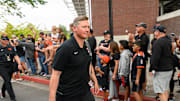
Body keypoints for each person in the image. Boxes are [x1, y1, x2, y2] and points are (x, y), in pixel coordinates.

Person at [49, 16, 99, 101]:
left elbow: (88, 64)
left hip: (85, 92)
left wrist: (95, 81)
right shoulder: (65, 48)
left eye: (88, 27)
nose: (87, 30)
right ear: (74, 28)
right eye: (84, 27)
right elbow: (55, 75)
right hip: (68, 95)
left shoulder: (86, 46)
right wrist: (52, 98)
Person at [150, 25, 174, 101]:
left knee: (160, 92)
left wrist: (152, 68)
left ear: (158, 32)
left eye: (155, 31)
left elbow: (155, 57)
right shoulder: (169, 41)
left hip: (161, 70)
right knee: (165, 89)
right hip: (169, 68)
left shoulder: (158, 42)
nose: (154, 33)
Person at [0, 34, 22, 101]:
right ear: (1, 40)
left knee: (7, 81)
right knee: (7, 81)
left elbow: (15, 55)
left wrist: (19, 64)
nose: (6, 40)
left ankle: (3, 91)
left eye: (7, 39)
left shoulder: (10, 47)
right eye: (4, 39)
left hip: (10, 65)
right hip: (1, 66)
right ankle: (13, 98)